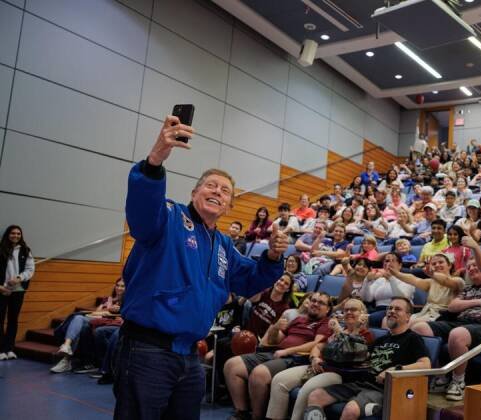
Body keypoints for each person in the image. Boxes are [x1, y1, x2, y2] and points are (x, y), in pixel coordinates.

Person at [116, 115, 288, 420]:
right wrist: (155, 161)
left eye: (225, 191)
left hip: (190, 357)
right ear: (195, 193)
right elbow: (141, 214)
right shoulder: (168, 217)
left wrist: (273, 258)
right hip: (147, 351)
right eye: (211, 185)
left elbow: (248, 280)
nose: (217, 192)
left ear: (229, 206)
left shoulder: (223, 245)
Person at [412, 236, 481, 401]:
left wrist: (476, 248)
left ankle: (458, 381)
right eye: (469, 267)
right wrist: (479, 301)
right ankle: (439, 373)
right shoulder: (468, 289)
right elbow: (452, 306)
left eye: (475, 265)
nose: (471, 269)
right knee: (419, 327)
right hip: (461, 322)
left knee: (457, 334)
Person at [304, 297, 431, 420]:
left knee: (351, 410)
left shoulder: (413, 338)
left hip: (384, 389)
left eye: (397, 309)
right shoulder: (381, 339)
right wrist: (353, 330)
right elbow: (356, 356)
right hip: (362, 383)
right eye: (389, 308)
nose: (391, 311)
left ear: (408, 316)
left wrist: (395, 370)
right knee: (316, 396)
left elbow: (425, 364)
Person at [224, 292, 334, 420]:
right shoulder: (299, 319)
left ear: (328, 309)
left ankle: (256, 416)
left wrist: (288, 351)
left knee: (259, 374)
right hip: (276, 353)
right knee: (231, 366)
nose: (315, 304)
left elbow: (316, 344)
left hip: (296, 359)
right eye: (313, 300)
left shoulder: (326, 323)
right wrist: (276, 328)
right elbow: (273, 341)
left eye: (321, 303)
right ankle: (241, 412)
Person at [267, 299, 374, 420]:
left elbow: (347, 352)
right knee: (279, 380)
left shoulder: (366, 335)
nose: (349, 312)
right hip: (316, 366)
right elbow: (318, 346)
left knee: (306, 390)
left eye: (353, 309)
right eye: (346, 310)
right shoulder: (338, 330)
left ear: (363, 314)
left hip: (337, 373)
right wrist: (314, 358)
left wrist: (345, 330)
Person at [50, 278, 126, 373]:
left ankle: (67, 360)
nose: (119, 288)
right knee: (78, 318)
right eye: (117, 285)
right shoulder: (108, 299)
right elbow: (96, 313)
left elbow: (123, 317)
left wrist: (119, 311)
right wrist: (108, 309)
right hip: (97, 320)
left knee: (84, 327)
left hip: (109, 323)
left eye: (122, 286)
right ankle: (66, 346)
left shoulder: (128, 300)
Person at [389, 253, 464, 326]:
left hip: (442, 317)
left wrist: (433, 274)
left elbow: (445, 281)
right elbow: (413, 279)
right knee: (391, 320)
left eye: (441, 262)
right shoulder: (431, 282)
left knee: (408, 323)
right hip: (424, 314)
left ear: (449, 265)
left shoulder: (458, 281)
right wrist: (396, 273)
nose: (437, 265)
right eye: (434, 264)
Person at [0, 225, 34, 361]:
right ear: (8, 234)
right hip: (2, 290)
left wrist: (19, 278)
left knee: (13, 319)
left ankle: (9, 349)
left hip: (18, 290)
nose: (15, 235)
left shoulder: (26, 250)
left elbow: (30, 269)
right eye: (13, 233)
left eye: (18, 233)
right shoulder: (1, 249)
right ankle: (1, 350)